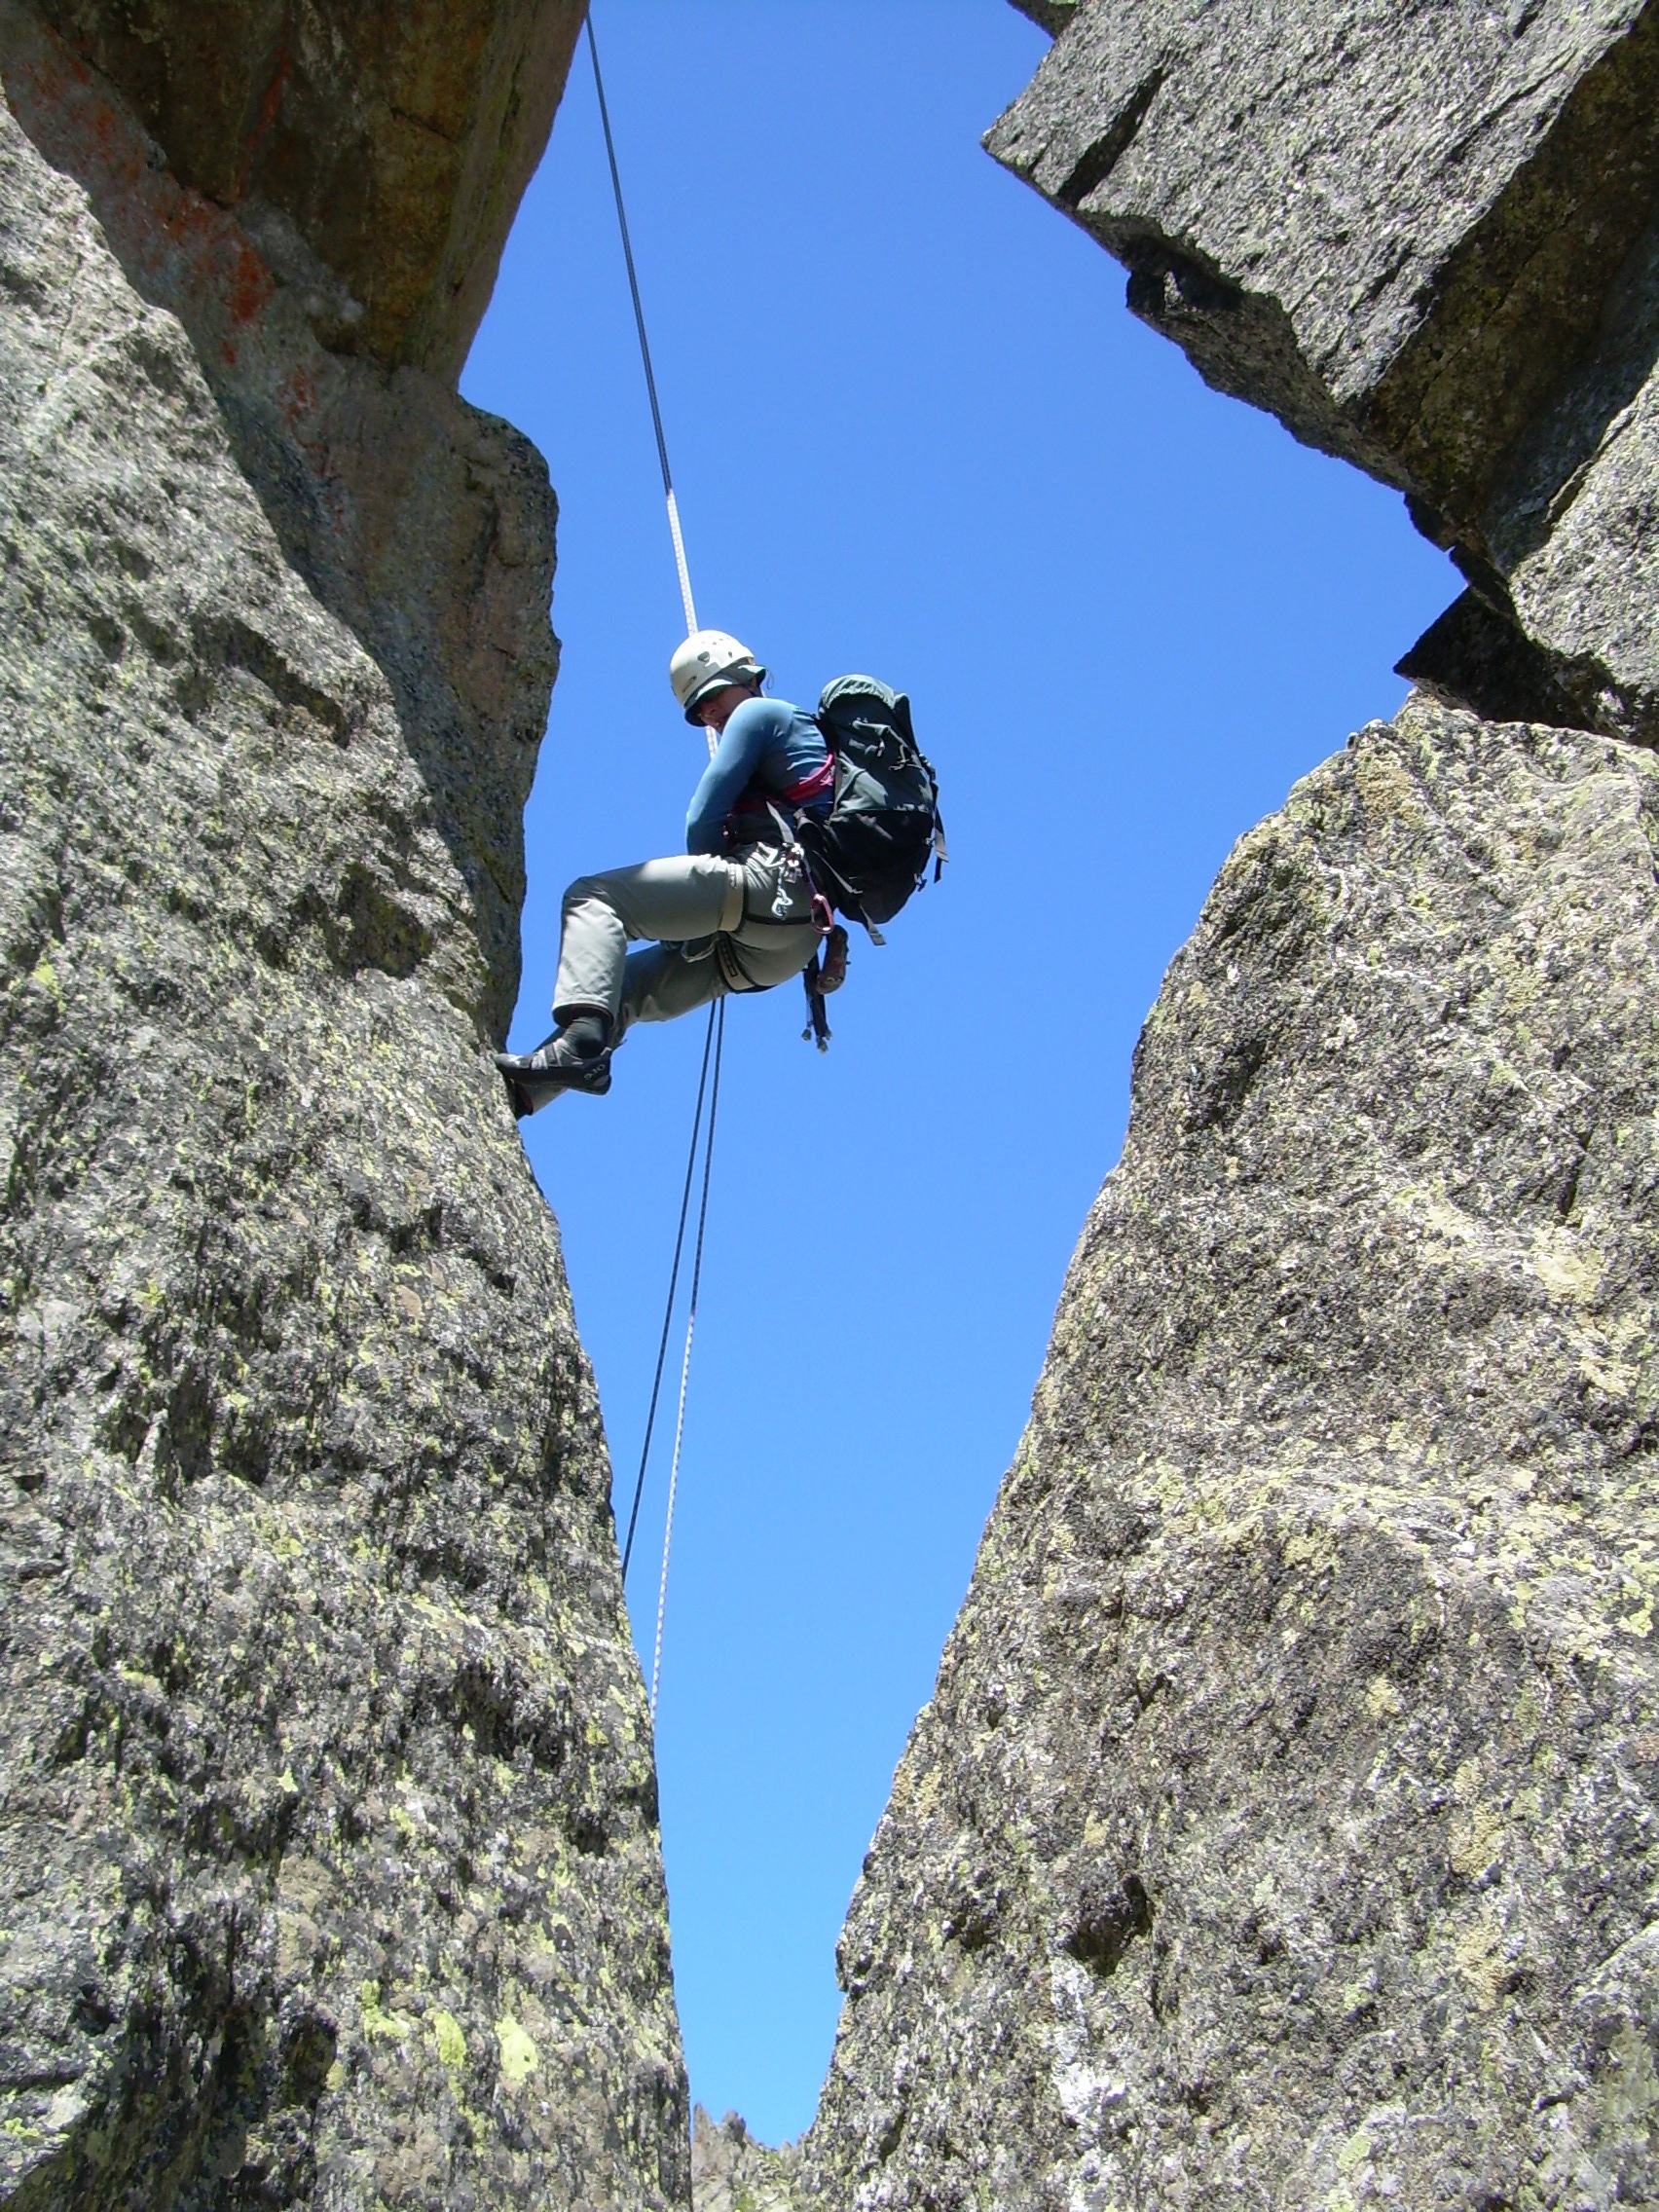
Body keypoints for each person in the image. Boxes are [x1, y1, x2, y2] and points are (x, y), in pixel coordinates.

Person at [496, 629, 831, 1116]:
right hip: (784, 950)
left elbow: (702, 820)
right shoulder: (811, 743)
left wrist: (694, 923)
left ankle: (583, 1049)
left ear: (744, 675)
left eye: (712, 697)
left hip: (766, 888)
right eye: (699, 712)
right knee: (620, 987)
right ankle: (523, 1096)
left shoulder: (761, 713)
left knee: (594, 899)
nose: (710, 715)